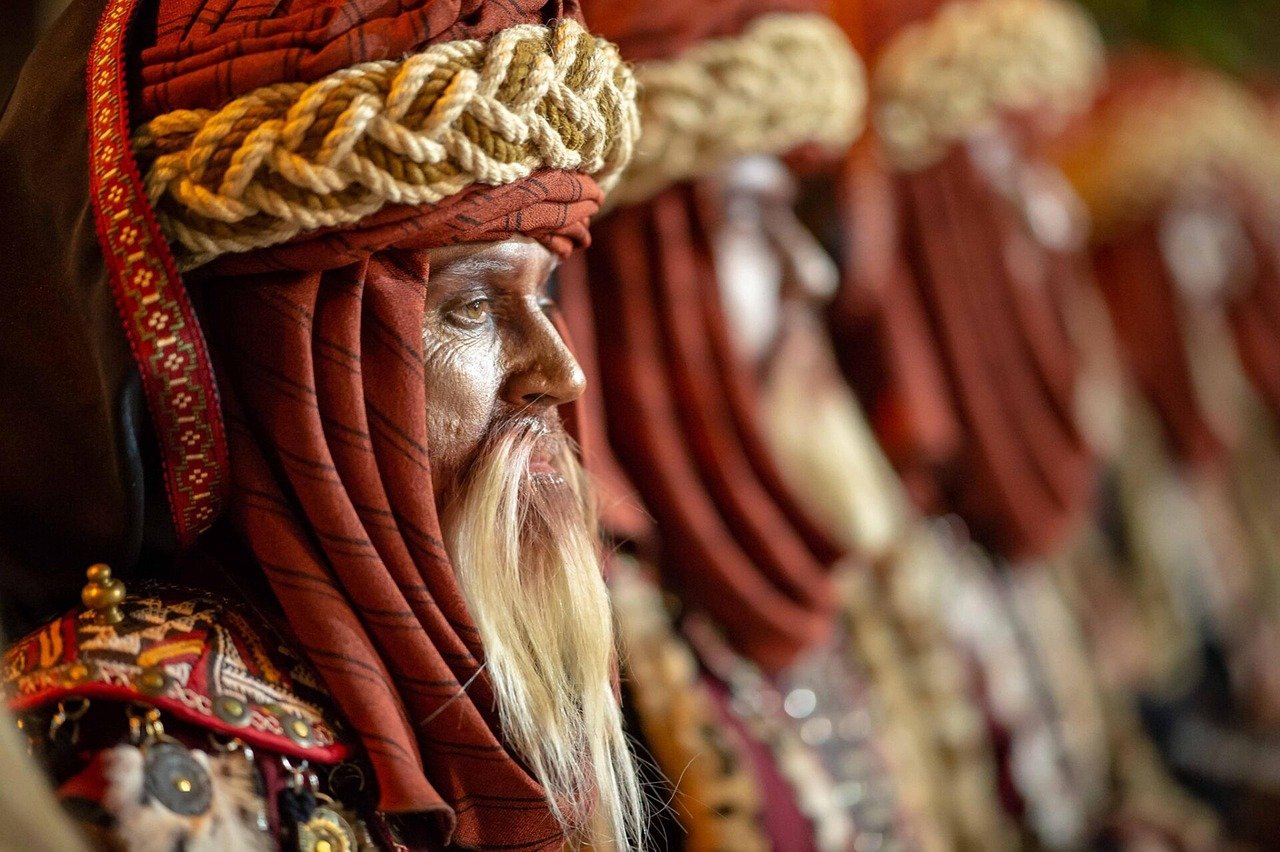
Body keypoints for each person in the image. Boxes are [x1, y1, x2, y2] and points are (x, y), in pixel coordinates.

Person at [0, 0, 644, 849]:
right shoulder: (138, 753)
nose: (564, 374)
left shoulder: (437, 689)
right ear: (287, 368)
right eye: (474, 306)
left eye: (546, 294)